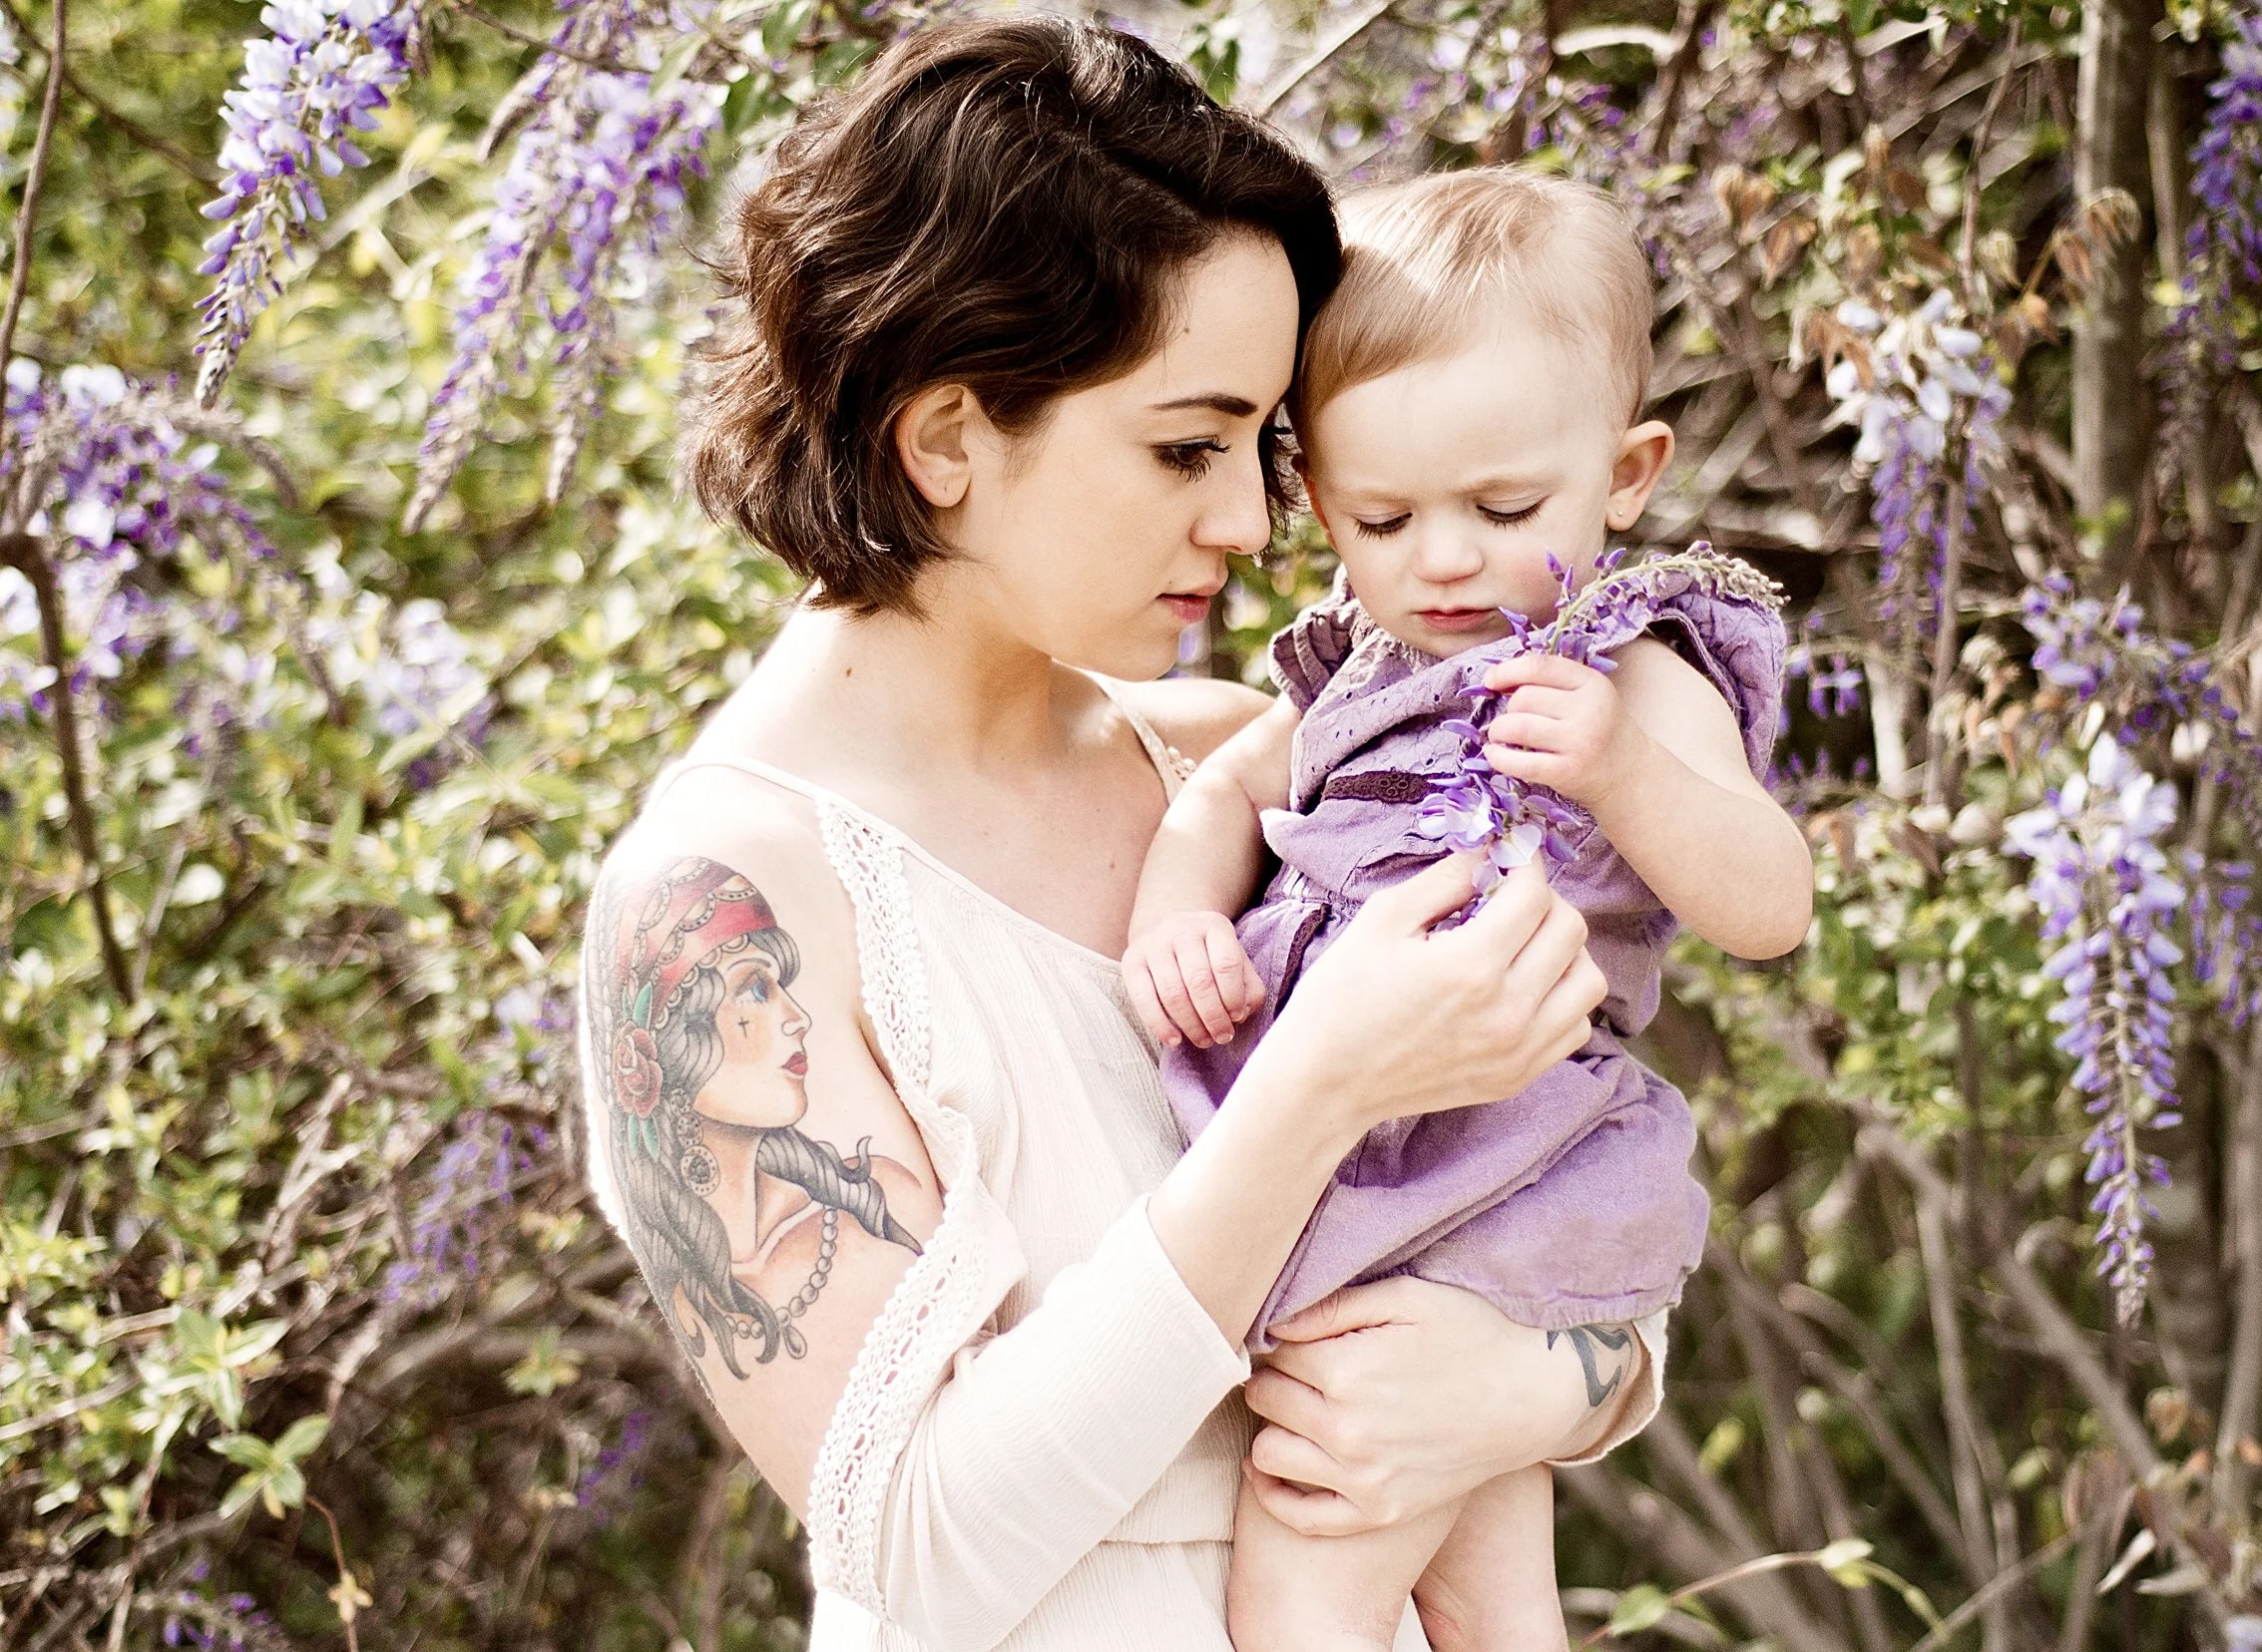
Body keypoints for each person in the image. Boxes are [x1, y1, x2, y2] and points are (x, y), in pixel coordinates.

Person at [575, 21, 1682, 1651]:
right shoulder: (723, 905)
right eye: (1186, 445)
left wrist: (1542, 1384)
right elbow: (920, 1547)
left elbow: (1549, 1216)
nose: (1247, 522)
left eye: (1263, 450)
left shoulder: (1237, 769)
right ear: (947, 437)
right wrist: (1313, 1096)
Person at [1121, 170, 1814, 1652]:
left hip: (1505, 1167)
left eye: (1506, 508)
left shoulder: (1630, 669)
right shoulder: (1352, 669)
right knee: (1494, 1601)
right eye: (1383, 516)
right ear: (1314, 497)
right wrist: (1173, 919)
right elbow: (1224, 798)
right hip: (1345, 1160)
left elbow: (1770, 900)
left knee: (1305, 1569)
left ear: (1625, 475)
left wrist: (1627, 771)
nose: (1443, 559)